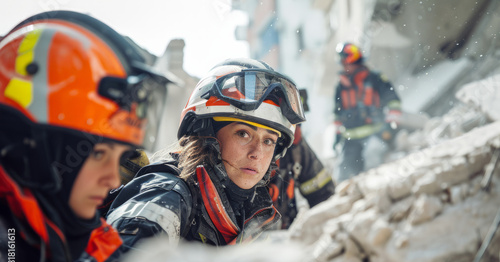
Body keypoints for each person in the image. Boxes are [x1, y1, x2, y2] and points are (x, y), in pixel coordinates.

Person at [0, 11, 168, 262]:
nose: (114, 179)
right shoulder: (10, 243)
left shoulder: (74, 238)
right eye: (99, 154)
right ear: (37, 147)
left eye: (120, 157)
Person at [105, 58, 306, 248]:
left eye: (269, 141)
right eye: (243, 134)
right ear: (206, 133)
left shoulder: (247, 211)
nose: (258, 153)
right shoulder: (167, 194)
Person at [333, 42, 402, 182]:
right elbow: (337, 115)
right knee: (343, 174)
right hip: (351, 140)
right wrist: (337, 137)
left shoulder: (375, 78)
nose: (344, 67)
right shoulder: (341, 86)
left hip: (376, 135)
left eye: (346, 63)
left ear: (355, 61)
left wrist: (390, 128)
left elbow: (394, 102)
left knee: (372, 162)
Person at [268, 89, 335, 229]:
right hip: (239, 245)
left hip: (282, 238)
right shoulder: (245, 151)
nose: (294, 132)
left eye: (297, 124)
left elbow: (323, 196)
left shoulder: (297, 150)